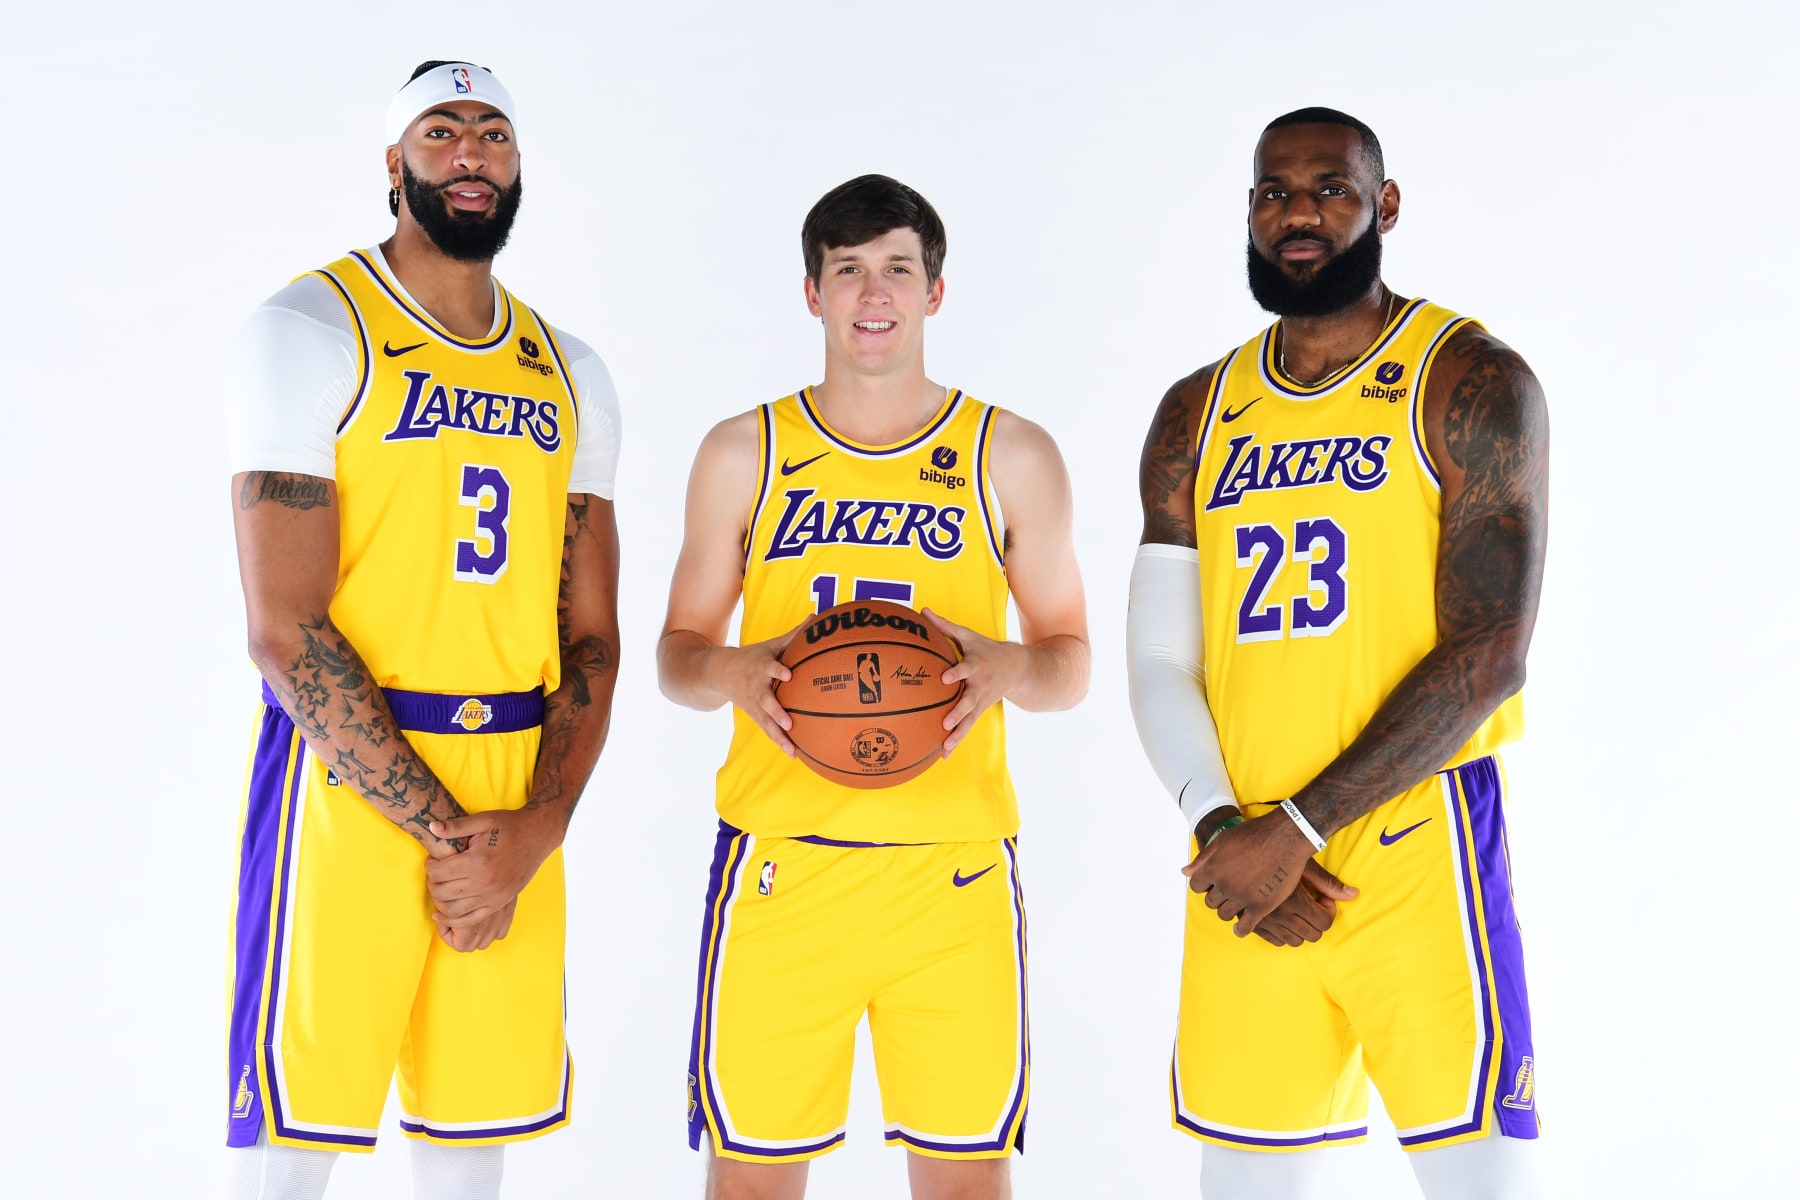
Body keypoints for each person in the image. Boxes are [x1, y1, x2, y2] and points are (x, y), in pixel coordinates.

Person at [1127, 108, 1548, 1199]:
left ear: (1385, 205)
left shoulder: (1466, 378)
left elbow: (1491, 652)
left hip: (1415, 842)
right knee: (1246, 1183)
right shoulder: (1196, 412)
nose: (1299, 213)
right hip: (1241, 854)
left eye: (1330, 188)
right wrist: (1224, 827)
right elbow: (1159, 659)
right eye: (1274, 192)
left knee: (1480, 1185)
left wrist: (1299, 831)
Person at [222, 60, 622, 1200]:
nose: (470, 151)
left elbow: (591, 636)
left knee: (469, 1140)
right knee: (300, 1143)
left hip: (513, 775)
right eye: (440, 131)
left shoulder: (571, 371)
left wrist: (535, 830)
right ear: (393, 166)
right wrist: (459, 844)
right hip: (348, 774)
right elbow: (284, 629)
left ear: (518, 166)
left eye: (493, 132)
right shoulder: (311, 327)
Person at [658, 174, 1089, 1200]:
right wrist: (731, 669)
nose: (873, 293)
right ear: (812, 293)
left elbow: (1069, 662)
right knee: (751, 1182)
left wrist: (1010, 667)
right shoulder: (744, 451)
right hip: (782, 868)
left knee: (965, 1183)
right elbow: (677, 655)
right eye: (847, 271)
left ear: (935, 291)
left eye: (897, 268)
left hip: (953, 876)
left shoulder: (1010, 453)